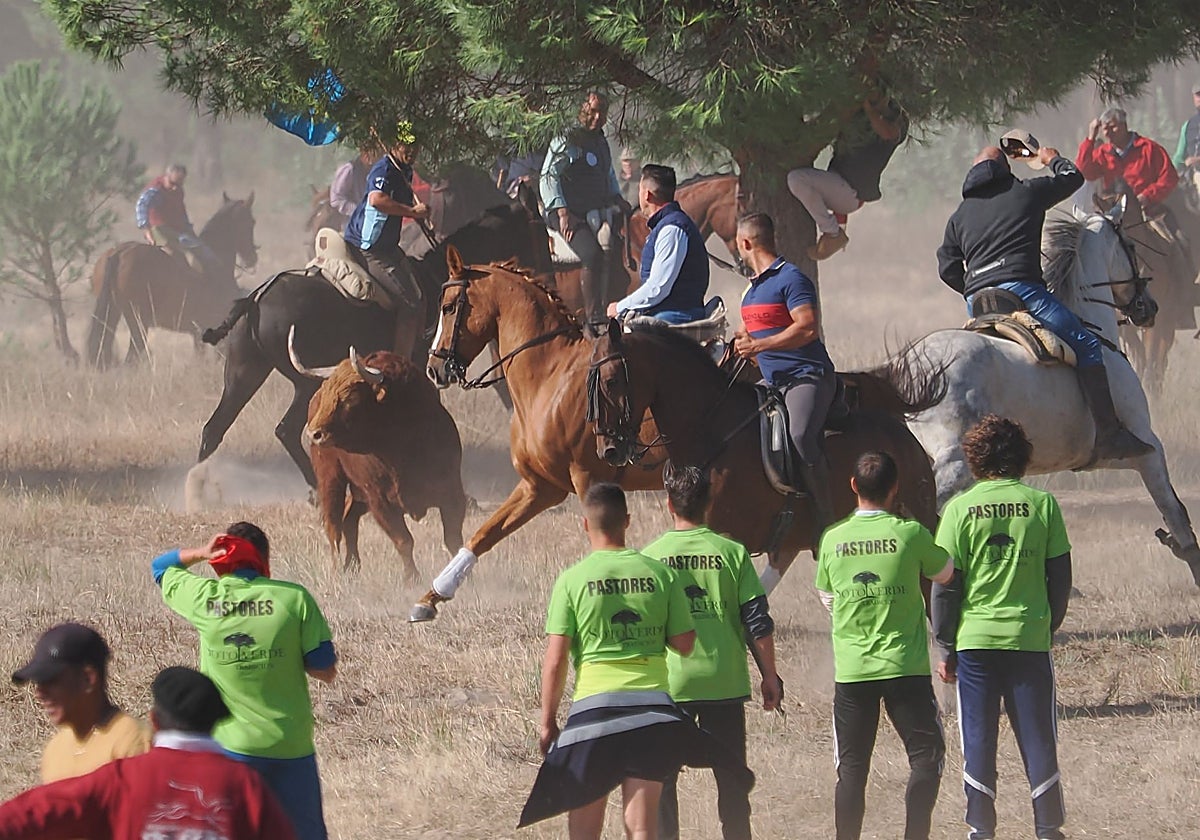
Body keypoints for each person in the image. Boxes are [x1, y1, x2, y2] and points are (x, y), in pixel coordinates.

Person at [519, 483, 753, 838]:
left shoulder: (571, 581)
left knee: (584, 831)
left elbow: (555, 661)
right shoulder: (662, 575)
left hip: (594, 714)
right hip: (652, 713)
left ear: (585, 525)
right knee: (643, 830)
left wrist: (547, 721)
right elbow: (685, 644)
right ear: (627, 521)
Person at [937, 139, 1153, 462]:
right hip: (1022, 294)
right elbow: (1072, 178)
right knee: (1088, 344)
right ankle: (1108, 435)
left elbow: (947, 267)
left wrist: (973, 287)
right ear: (1004, 170)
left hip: (978, 302)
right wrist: (1049, 158)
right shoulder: (1024, 192)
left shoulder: (959, 215)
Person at [931, 414, 1073, 840]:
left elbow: (945, 587)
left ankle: (980, 828)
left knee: (976, 739)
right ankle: (1048, 829)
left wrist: (945, 644)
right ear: (1022, 457)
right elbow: (1060, 578)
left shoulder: (957, 509)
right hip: (1028, 640)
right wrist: (1047, 626)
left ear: (975, 458)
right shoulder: (1043, 505)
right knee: (1039, 740)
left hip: (974, 645)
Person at [152, 521, 337, 840]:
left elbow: (160, 567)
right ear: (264, 559)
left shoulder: (204, 598)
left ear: (221, 558)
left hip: (229, 748)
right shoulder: (294, 599)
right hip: (290, 745)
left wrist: (200, 552)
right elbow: (324, 669)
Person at [814, 451, 955, 840]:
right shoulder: (910, 534)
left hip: (854, 671)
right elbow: (945, 572)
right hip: (905, 668)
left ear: (854, 486)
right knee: (927, 758)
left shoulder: (833, 538)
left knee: (853, 769)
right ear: (895, 488)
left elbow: (826, 596)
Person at [641, 463, 782, 840]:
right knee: (733, 783)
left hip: (669, 687)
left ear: (669, 504)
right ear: (709, 503)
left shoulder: (649, 557)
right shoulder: (733, 553)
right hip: (724, 684)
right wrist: (770, 675)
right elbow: (757, 620)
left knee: (662, 785)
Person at [0, 666, 297, 840]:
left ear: (155, 720)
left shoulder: (123, 778)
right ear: (214, 724)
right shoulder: (245, 785)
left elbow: (33, 812)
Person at [733, 212, 837, 534]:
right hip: (771, 383)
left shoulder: (791, 279)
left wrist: (760, 346)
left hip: (806, 376)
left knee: (801, 436)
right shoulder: (750, 292)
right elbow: (747, 335)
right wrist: (742, 345)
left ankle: (827, 519)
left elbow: (807, 329)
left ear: (746, 243)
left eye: (738, 246)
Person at [12, 622, 150, 783]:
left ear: (88, 679)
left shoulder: (132, 741)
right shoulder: (56, 750)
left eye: (51, 681)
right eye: (38, 683)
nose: (39, 694)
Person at [541, 91, 632, 324]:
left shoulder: (600, 140)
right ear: (581, 108)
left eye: (602, 112)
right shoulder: (566, 139)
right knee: (592, 254)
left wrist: (617, 197)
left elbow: (608, 173)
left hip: (595, 210)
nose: (597, 117)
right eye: (592, 111)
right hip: (569, 214)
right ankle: (594, 318)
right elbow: (549, 177)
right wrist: (562, 211)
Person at [343, 124, 430, 357]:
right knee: (410, 305)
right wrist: (412, 212)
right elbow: (377, 200)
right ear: (394, 144)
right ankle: (400, 364)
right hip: (370, 248)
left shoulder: (404, 170)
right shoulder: (384, 169)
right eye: (406, 145)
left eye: (415, 146)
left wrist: (416, 211)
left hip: (389, 247)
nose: (411, 151)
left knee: (420, 292)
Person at [787, 95, 908, 260]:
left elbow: (889, 133)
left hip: (850, 192)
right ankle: (833, 230)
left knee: (797, 179)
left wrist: (869, 108)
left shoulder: (895, 114)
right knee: (800, 179)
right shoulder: (856, 111)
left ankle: (832, 233)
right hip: (840, 187)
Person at [607, 164, 710, 324]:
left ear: (647, 195)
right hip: (668, 311)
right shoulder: (667, 225)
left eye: (640, 190)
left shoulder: (672, 229)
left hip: (677, 314)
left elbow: (658, 288)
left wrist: (620, 307)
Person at [1075, 107, 1178, 213]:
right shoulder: (1102, 153)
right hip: (1114, 212)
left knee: (1165, 228)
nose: (1108, 132)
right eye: (1105, 129)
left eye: (1113, 127)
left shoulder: (1149, 148)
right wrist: (1091, 138)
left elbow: (1169, 178)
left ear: (1124, 125)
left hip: (1147, 210)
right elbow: (1084, 172)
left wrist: (1147, 196)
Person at [134, 163, 220, 280]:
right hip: (159, 230)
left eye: (179, 184)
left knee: (202, 249)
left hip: (176, 230)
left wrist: (189, 230)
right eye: (173, 183)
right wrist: (146, 229)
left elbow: (181, 213)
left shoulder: (178, 191)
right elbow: (142, 205)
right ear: (167, 176)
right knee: (188, 255)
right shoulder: (156, 190)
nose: (175, 187)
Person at [328, 146, 376, 223]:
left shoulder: (376, 173)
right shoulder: (349, 170)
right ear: (364, 155)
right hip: (349, 222)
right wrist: (358, 211)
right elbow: (336, 199)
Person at [1171, 81, 1200, 173]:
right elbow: (1179, 157)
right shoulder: (1188, 125)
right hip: (1193, 176)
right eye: (1198, 95)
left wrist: (1198, 159)